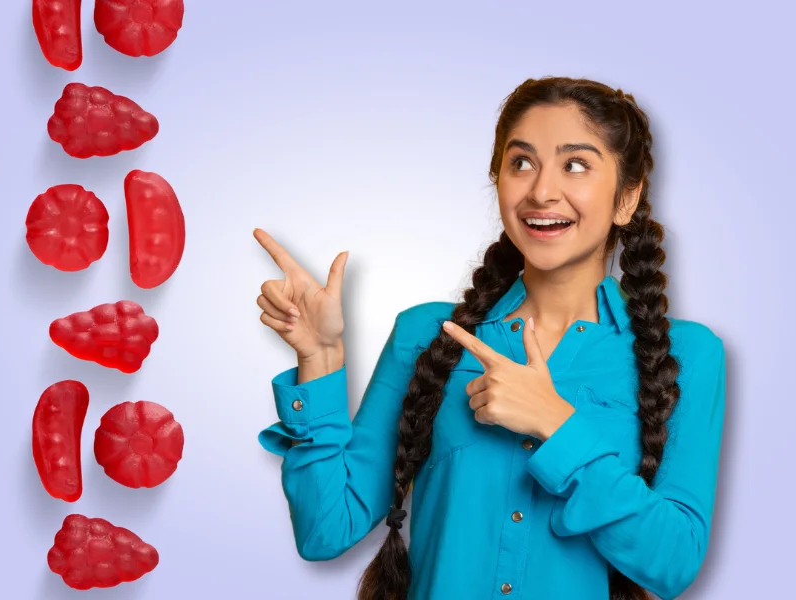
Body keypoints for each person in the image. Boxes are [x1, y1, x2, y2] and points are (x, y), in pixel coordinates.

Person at [252, 76, 727, 600]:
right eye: (521, 162)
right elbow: (326, 531)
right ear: (497, 180)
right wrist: (319, 356)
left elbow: (673, 562)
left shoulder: (687, 355)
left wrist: (555, 422)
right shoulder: (427, 336)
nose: (542, 190)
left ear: (626, 198)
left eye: (575, 164)